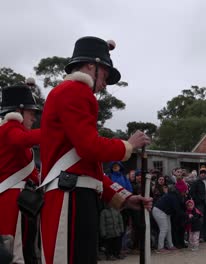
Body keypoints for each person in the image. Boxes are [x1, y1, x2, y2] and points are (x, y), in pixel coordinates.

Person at [39, 36, 152, 264]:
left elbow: (87, 168)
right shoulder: (76, 91)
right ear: (92, 65)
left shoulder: (72, 93)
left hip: (76, 193)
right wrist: (128, 145)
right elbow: (89, 147)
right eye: (105, 74)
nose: (105, 83)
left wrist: (124, 198)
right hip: (70, 196)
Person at [0, 84, 41, 263]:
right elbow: (22, 140)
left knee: (23, 248)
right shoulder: (10, 127)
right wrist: (56, 130)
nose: (34, 117)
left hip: (21, 198)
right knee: (16, 253)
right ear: (19, 111)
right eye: (31, 112)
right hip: (13, 198)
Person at [151, 186, 183, 253]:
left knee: (168, 229)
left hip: (164, 212)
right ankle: (160, 248)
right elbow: (177, 209)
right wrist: (185, 215)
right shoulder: (174, 197)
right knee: (164, 229)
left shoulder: (171, 195)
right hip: (160, 211)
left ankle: (170, 245)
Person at [189, 166, 206, 241]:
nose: (203, 175)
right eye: (201, 173)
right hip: (199, 204)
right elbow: (192, 193)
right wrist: (197, 200)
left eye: (204, 173)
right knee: (200, 220)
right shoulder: (196, 182)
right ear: (199, 174)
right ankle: (200, 236)